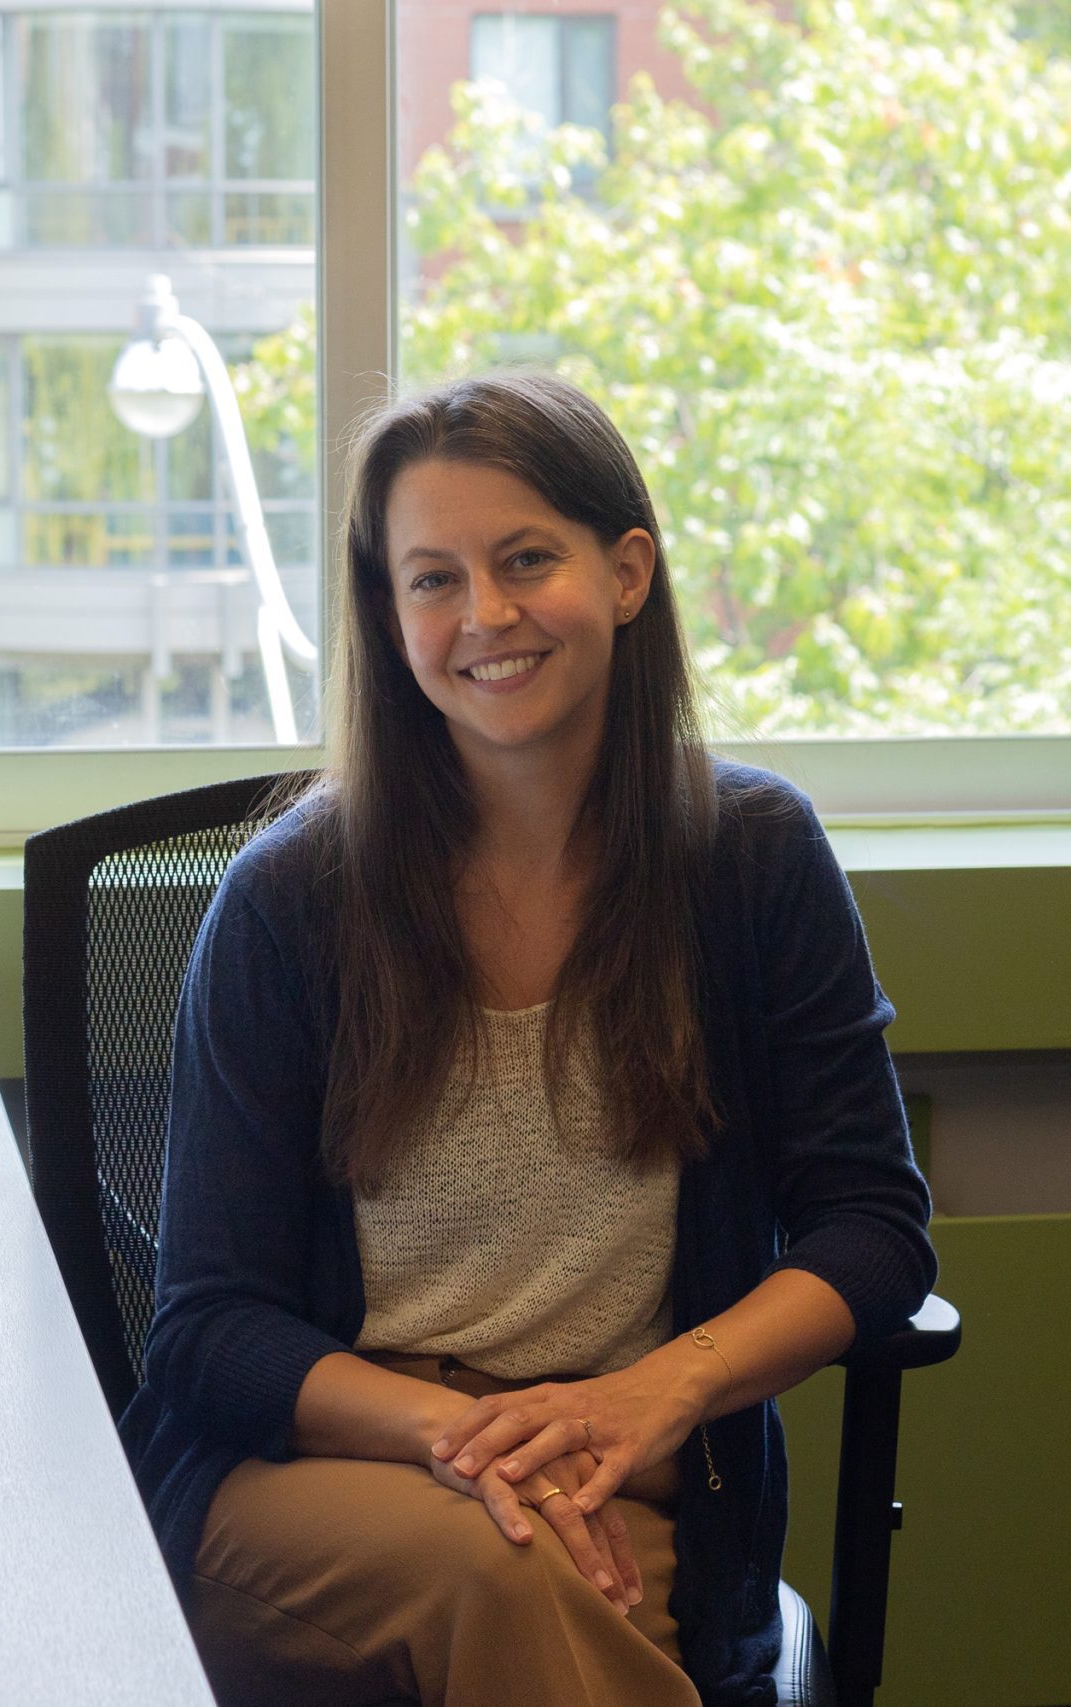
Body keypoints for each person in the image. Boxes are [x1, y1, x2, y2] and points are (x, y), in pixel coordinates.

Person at [119, 370, 937, 1707]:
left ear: (627, 573)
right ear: (390, 618)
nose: (484, 616)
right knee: (502, 1570)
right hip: (324, 1479)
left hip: (626, 1467)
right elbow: (208, 1335)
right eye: (432, 580)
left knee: (543, 1585)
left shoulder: (750, 860)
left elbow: (873, 1230)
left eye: (525, 561)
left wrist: (654, 1396)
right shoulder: (291, 901)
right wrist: (467, 1440)